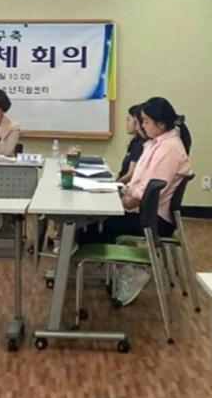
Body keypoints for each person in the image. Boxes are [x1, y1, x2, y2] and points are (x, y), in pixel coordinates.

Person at [79, 97, 192, 306]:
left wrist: (124, 201)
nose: (142, 126)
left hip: (154, 220)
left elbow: (149, 191)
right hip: (144, 211)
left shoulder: (169, 150)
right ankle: (119, 270)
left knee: (93, 226)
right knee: (91, 222)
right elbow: (139, 182)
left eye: (146, 121)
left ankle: (132, 271)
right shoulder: (156, 144)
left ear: (161, 124)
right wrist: (121, 193)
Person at [116, 104, 147, 184]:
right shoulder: (134, 141)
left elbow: (130, 175)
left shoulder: (140, 144)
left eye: (129, 120)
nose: (126, 123)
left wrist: (115, 184)